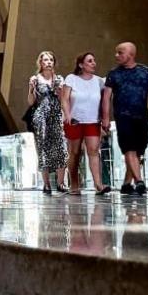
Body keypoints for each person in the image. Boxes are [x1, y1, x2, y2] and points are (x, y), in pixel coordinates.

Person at [101, 42, 148, 195]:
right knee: (129, 148)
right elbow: (106, 97)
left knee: (138, 150)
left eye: (120, 52)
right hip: (123, 117)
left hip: (141, 116)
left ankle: (127, 184)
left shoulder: (146, 72)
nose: (116, 55)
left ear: (131, 55)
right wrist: (106, 117)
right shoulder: (113, 73)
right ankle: (139, 181)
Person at [58, 53, 108, 194]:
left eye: (94, 60)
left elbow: (104, 101)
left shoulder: (99, 81)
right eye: (90, 61)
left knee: (93, 151)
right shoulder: (71, 79)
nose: (94, 63)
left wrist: (105, 118)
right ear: (81, 64)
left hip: (92, 121)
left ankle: (98, 185)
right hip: (74, 120)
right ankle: (74, 184)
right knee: (75, 152)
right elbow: (65, 99)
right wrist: (67, 115)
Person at [24, 52, 67, 194]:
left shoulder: (59, 78)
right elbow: (31, 102)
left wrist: (60, 90)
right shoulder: (36, 79)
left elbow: (63, 99)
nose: (48, 62)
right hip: (41, 116)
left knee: (61, 147)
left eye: (51, 60)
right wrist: (31, 88)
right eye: (45, 60)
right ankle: (46, 184)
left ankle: (61, 183)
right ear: (40, 63)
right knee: (43, 148)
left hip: (56, 115)